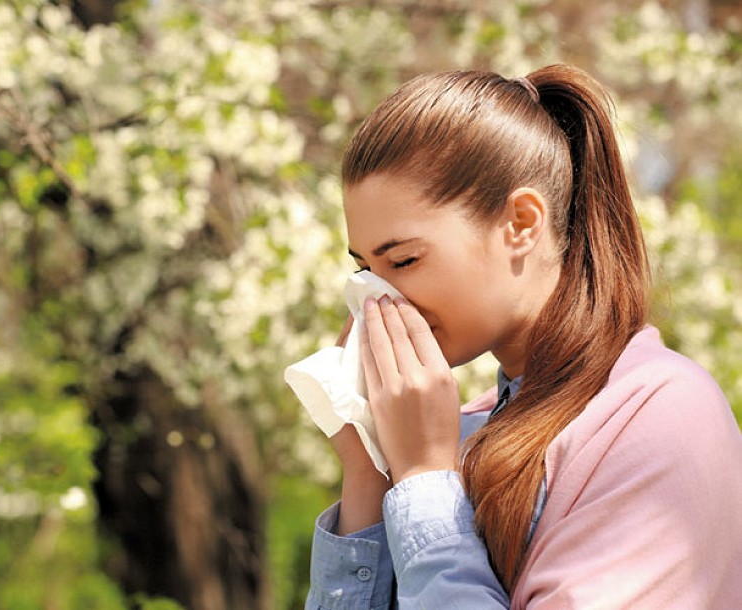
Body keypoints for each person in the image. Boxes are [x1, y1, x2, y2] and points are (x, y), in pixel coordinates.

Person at [303, 64, 742, 609]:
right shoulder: (462, 431)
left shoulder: (657, 415)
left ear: (521, 224)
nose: (379, 297)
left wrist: (423, 478)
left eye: (404, 260)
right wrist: (370, 473)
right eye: (365, 269)